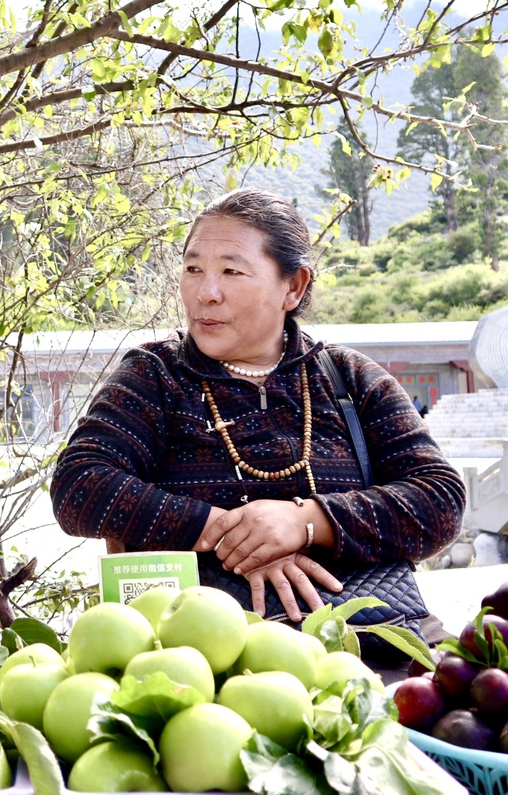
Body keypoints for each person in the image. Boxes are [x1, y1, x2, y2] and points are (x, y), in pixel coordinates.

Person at [51, 188, 465, 646]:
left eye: (231, 271)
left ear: (294, 286)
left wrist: (305, 522)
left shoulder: (349, 378)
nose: (206, 293)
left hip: (368, 638)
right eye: (193, 269)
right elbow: (79, 485)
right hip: (196, 651)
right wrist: (232, 535)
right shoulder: (154, 377)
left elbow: (440, 500)